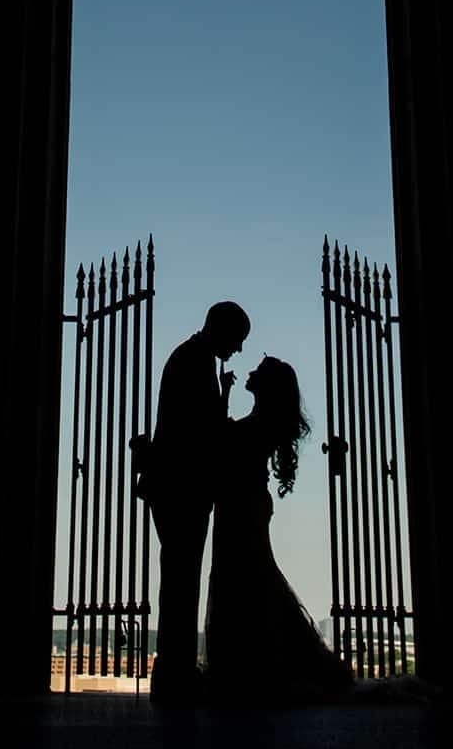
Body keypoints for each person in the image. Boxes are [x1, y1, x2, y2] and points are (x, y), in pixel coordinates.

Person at [201, 356, 355, 705]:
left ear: (267, 385)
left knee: (242, 577)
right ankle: (257, 660)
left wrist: (221, 399)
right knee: (251, 577)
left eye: (259, 370)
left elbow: (225, 442)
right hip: (243, 505)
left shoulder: (261, 422)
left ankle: (246, 664)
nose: (251, 372)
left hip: (242, 507)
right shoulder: (266, 421)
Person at [143, 301, 249, 704]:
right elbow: (200, 431)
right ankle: (174, 674)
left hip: (175, 484)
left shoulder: (191, 358)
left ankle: (174, 671)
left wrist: (221, 395)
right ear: (221, 329)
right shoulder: (194, 361)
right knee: (181, 577)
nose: (238, 349)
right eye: (237, 339)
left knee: (179, 576)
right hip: (182, 486)